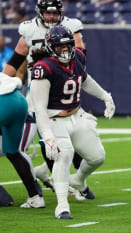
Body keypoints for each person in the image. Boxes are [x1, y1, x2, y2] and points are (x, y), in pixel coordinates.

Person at [2, 0, 95, 199]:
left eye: (55, 13)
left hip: (63, 93)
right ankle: (51, 185)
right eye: (47, 13)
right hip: (38, 93)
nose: (52, 17)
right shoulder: (29, 30)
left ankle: (77, 181)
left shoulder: (71, 27)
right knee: (40, 142)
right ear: (40, 12)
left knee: (77, 141)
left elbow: (80, 58)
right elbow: (14, 63)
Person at [30, 25, 115, 219]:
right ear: (51, 47)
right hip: (53, 118)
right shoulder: (43, 68)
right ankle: (62, 205)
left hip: (77, 115)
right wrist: (48, 137)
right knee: (64, 154)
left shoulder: (77, 57)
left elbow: (84, 79)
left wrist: (105, 96)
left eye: (68, 45)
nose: (66, 50)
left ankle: (78, 180)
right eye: (60, 47)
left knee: (97, 157)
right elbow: (40, 109)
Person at [0, 72, 45, 208]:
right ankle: (36, 197)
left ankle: (3, 197)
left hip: (3, 103)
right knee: (14, 152)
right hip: (19, 101)